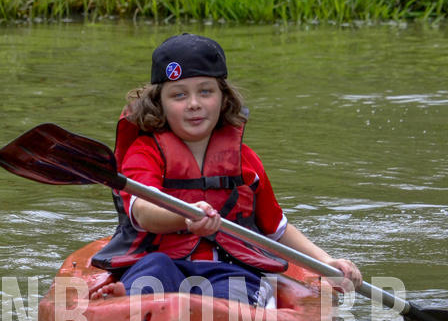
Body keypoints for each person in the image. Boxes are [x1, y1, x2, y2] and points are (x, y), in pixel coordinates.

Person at [90, 33, 361, 303]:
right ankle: (131, 297)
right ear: (159, 103)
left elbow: (277, 229)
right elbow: (142, 212)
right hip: (161, 265)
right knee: (155, 269)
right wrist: (186, 217)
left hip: (230, 268)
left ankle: (226, 318)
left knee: (236, 284)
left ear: (223, 98)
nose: (194, 103)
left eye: (205, 91)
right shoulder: (144, 152)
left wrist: (327, 262)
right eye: (179, 95)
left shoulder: (246, 162)